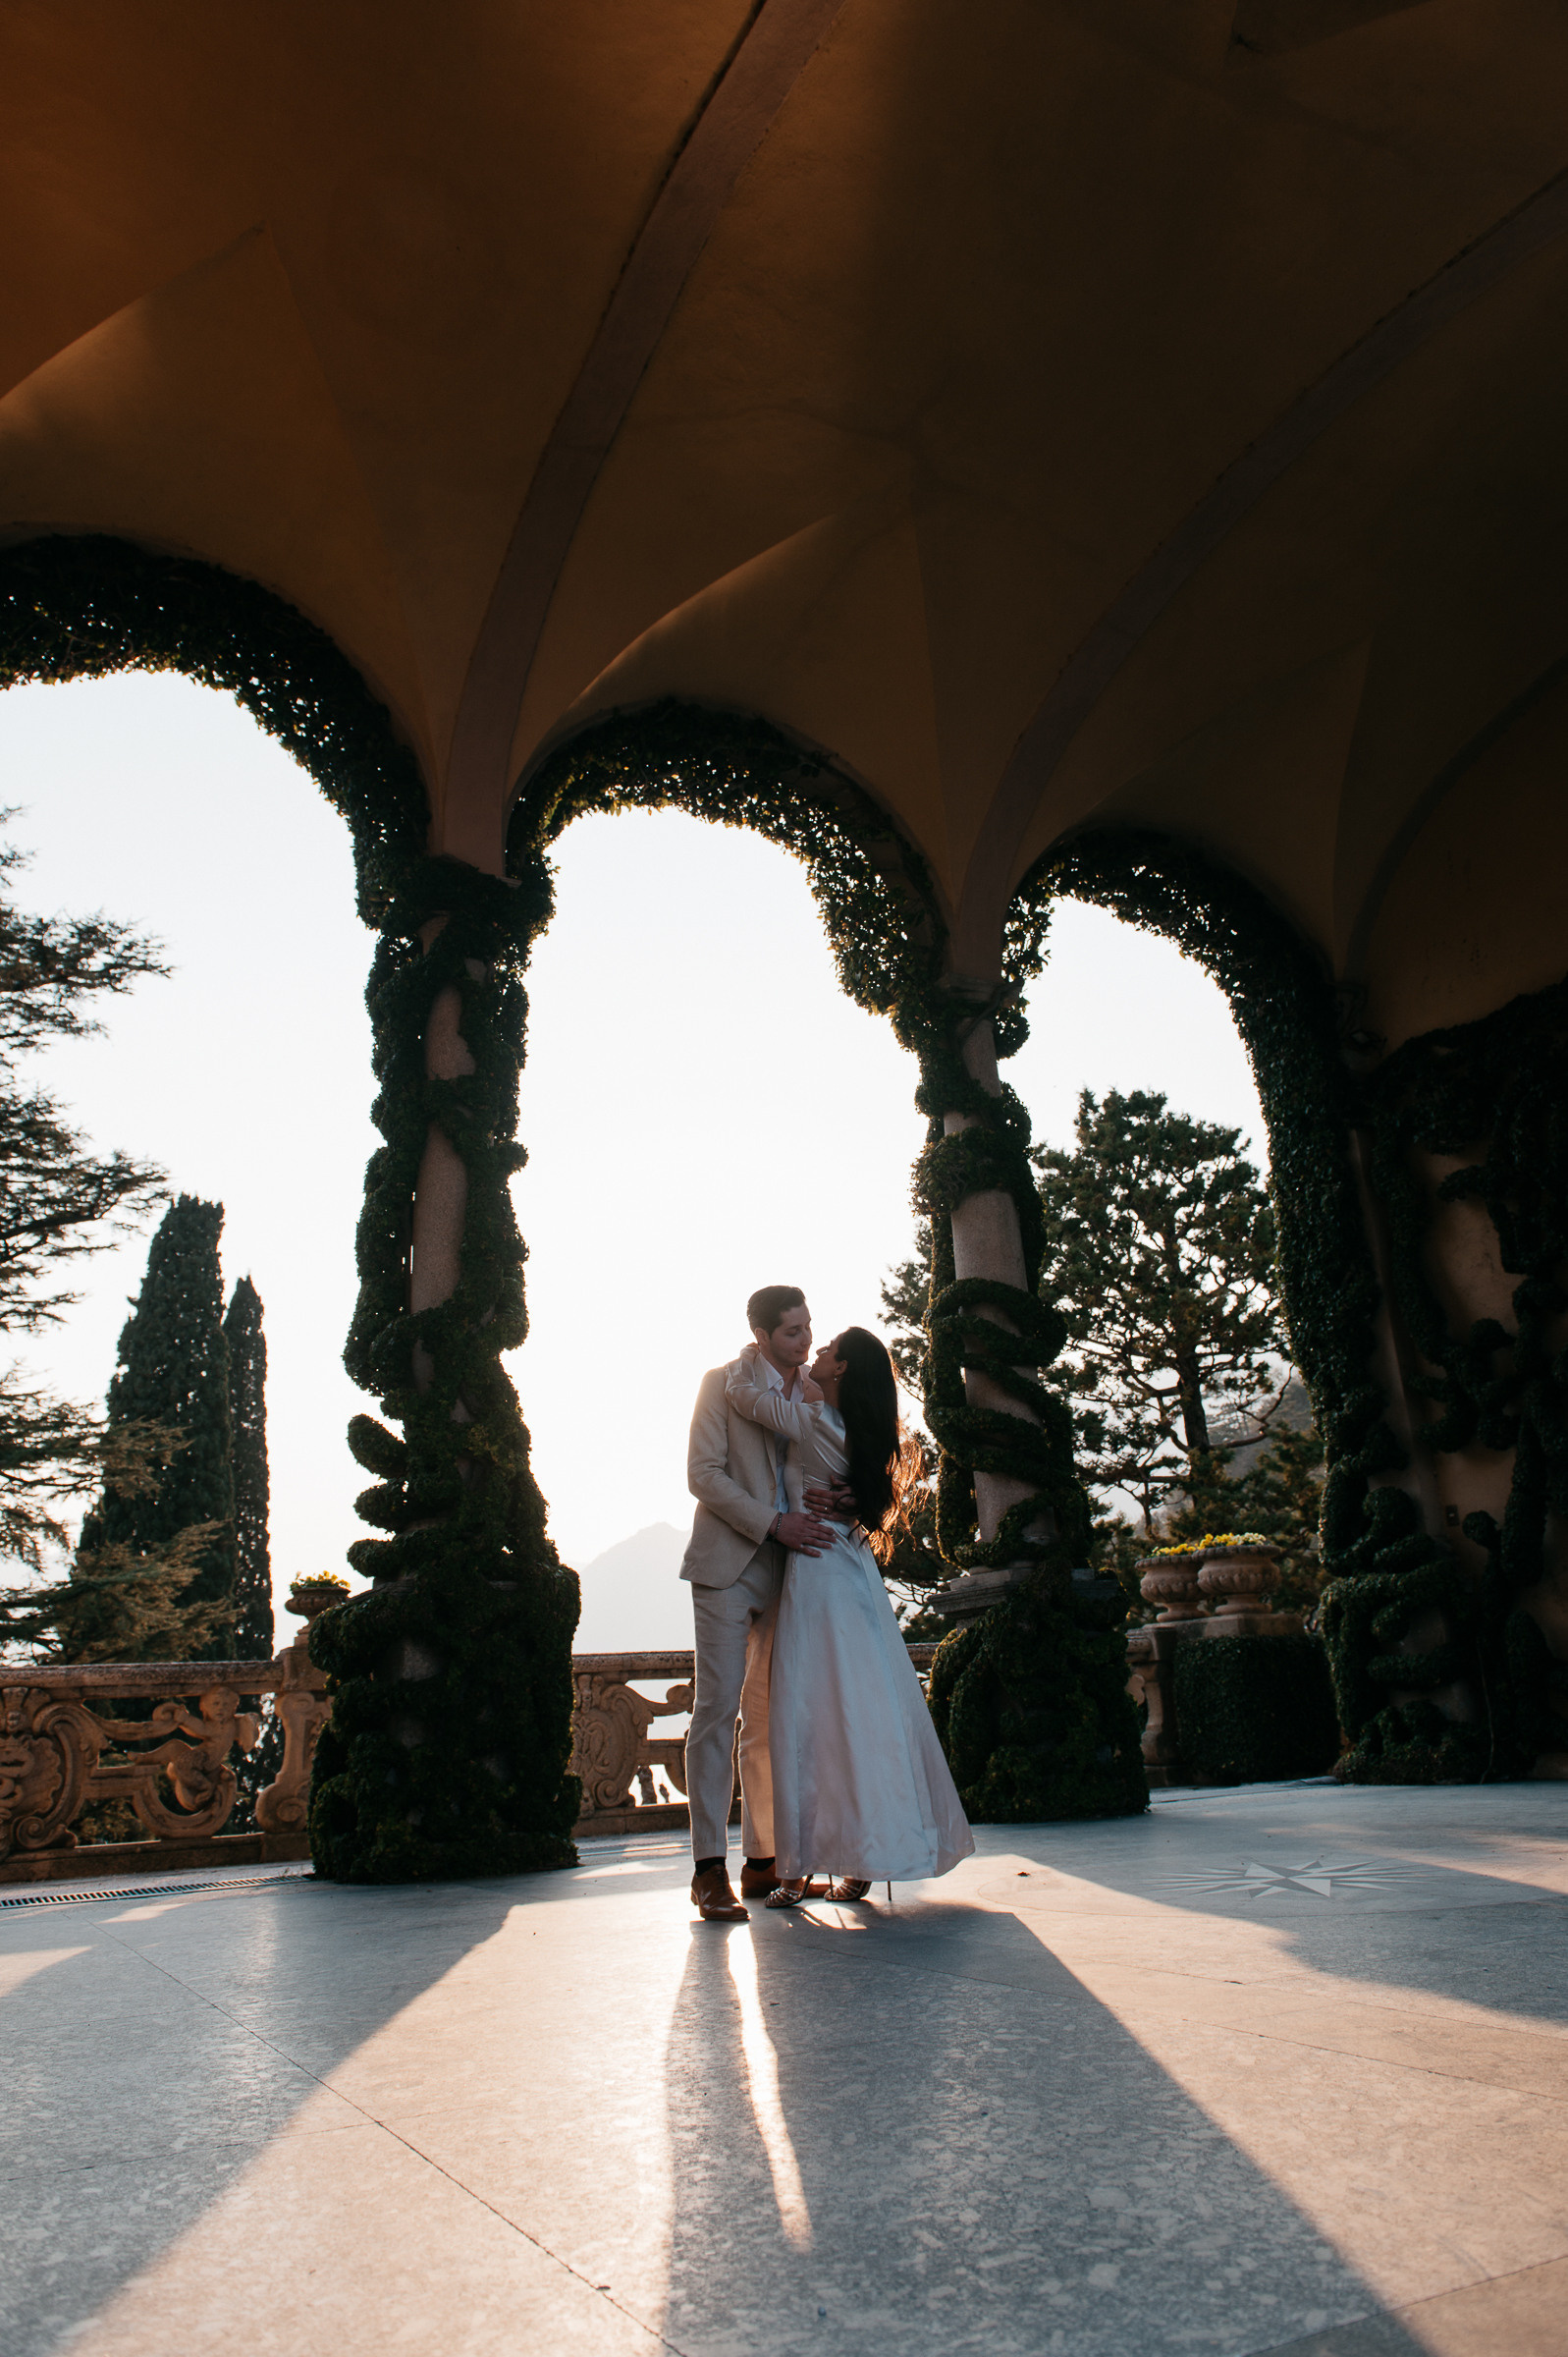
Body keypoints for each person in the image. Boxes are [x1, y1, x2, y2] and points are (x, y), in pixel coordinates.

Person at [726, 1326, 973, 1904]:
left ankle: (798, 1869)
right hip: (851, 1573)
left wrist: (752, 1346)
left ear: (841, 1370)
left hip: (817, 1572)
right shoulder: (855, 1432)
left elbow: (743, 1395)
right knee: (860, 1711)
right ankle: (858, 1859)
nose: (816, 1351)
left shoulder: (809, 1417)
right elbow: (871, 1490)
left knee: (806, 1711)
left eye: (828, 1348)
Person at [680, 1286, 838, 1923]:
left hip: (791, 1574)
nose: (804, 1342)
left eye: (807, 1328)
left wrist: (828, 1501)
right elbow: (703, 1474)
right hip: (727, 1565)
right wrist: (774, 1523)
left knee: (770, 1721)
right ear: (764, 1335)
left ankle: (762, 1863)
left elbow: (825, 1464)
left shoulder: (813, 1396)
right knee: (715, 1712)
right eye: (793, 1332)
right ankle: (705, 1870)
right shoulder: (721, 1384)